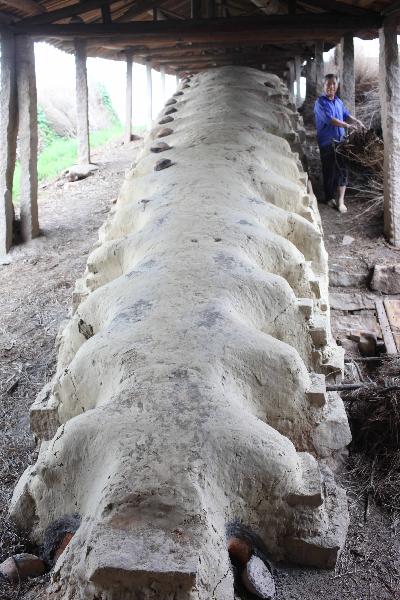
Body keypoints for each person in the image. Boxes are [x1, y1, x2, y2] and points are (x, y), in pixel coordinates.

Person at [314, 73, 364, 213]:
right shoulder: (320, 102)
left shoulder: (338, 101)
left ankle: (341, 200)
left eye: (333, 84)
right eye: (328, 84)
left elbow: (346, 114)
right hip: (327, 142)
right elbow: (330, 120)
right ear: (324, 86)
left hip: (341, 142)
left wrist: (356, 121)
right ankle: (329, 197)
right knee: (329, 170)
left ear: (337, 86)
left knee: (342, 169)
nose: (331, 86)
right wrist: (347, 126)